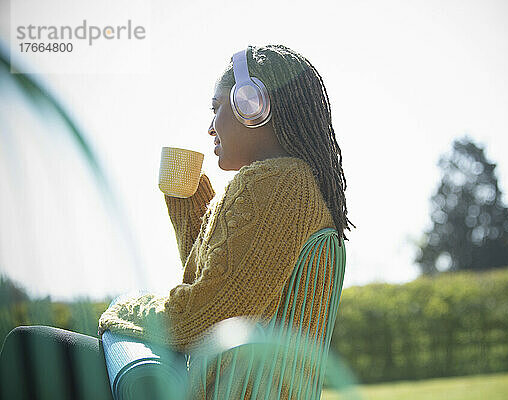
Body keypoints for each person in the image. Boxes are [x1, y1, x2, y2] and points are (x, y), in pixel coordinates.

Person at [0, 44, 351, 399]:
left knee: (25, 347)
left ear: (252, 103)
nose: (211, 127)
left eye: (216, 109)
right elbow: (221, 285)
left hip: (213, 392)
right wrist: (189, 200)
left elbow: (203, 317)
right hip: (216, 386)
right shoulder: (294, 186)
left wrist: (125, 306)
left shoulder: (278, 185)